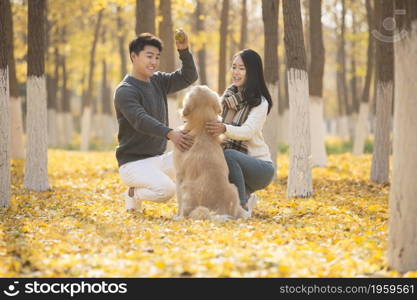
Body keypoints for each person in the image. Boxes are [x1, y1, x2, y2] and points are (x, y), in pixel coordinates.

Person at [114, 32, 198, 212]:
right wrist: (170, 133)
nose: (153, 61)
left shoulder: (158, 81)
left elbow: (188, 76)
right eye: (149, 56)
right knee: (166, 191)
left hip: (158, 159)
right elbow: (140, 120)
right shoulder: (125, 91)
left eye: (157, 57)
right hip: (133, 164)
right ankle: (133, 193)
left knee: (193, 158)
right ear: (134, 56)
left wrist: (183, 50)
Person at [206, 49, 275, 215]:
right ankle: (245, 196)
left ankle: (241, 206)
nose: (236, 72)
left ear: (252, 72)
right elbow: (215, 119)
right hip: (236, 166)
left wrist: (223, 128)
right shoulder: (229, 97)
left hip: (260, 168)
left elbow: (247, 132)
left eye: (242, 68)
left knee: (228, 154)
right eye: (234, 67)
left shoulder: (260, 102)